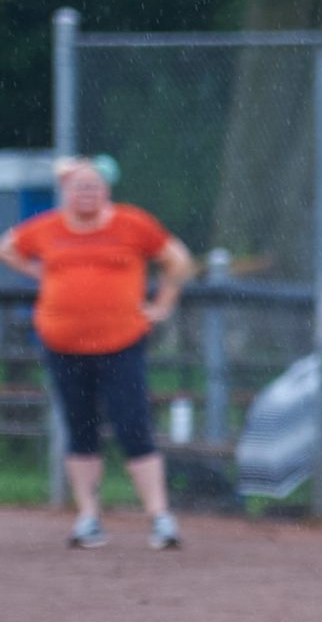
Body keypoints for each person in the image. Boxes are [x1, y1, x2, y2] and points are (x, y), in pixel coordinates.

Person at [0, 157, 195, 549]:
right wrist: (42, 274)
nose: (85, 192)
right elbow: (8, 248)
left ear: (106, 190)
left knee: (133, 425)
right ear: (65, 192)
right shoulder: (47, 229)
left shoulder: (131, 223)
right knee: (80, 427)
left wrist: (163, 304)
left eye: (93, 185)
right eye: (77, 186)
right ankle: (88, 517)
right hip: (63, 345)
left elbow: (179, 260)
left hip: (120, 343)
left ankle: (159, 517)